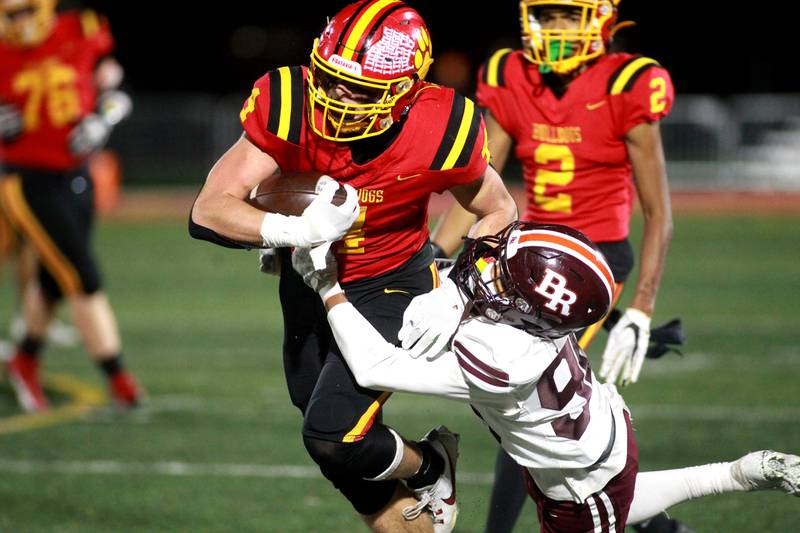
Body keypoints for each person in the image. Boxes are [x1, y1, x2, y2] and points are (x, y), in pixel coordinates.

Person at [189, 1, 517, 530]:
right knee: (336, 452)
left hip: (392, 284)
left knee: (332, 434)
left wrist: (455, 287)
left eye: (360, 89)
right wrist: (290, 231)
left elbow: (499, 208)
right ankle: (422, 495)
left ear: (406, 90)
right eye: (331, 79)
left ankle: (431, 463)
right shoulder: (290, 101)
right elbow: (209, 208)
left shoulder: (439, 125)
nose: (337, 96)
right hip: (310, 283)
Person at [293, 220, 800, 532]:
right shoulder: (535, 320)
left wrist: (327, 284)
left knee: (609, 510)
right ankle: (739, 472)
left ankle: (736, 474)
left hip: (579, 480)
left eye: (505, 276)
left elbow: (374, 365)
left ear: (531, 311)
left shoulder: (503, 357)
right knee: (619, 503)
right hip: (598, 438)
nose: (489, 270)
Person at [424, 1, 684, 530]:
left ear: (603, 20)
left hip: (593, 263)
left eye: (570, 15)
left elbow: (659, 214)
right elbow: (480, 187)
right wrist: (433, 259)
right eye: (548, 15)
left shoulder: (629, 82)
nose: (557, 28)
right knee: (507, 405)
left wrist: (639, 308)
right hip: (523, 255)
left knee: (526, 405)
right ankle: (658, 526)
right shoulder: (509, 74)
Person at [0, 0, 139, 412]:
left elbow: (117, 89)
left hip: (79, 176)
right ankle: (118, 376)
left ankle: (24, 358)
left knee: (54, 278)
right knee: (83, 276)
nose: (20, 22)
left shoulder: (81, 28)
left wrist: (102, 119)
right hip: (28, 180)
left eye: (26, 11)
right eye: (12, 14)